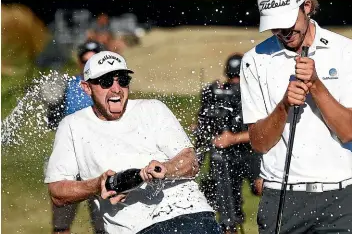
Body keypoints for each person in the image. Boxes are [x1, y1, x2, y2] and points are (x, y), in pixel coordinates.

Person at [240, 0, 352, 234]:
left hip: (340, 198)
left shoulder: (348, 51)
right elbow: (259, 142)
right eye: (275, 28)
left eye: (288, 24)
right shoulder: (254, 60)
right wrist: (284, 105)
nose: (284, 33)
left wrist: (316, 85)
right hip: (281, 198)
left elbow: (349, 130)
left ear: (307, 7)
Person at [44, 51, 221, 234]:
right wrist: (98, 185)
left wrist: (165, 169)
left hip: (193, 214)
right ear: (86, 87)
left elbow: (190, 162)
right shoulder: (72, 126)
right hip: (139, 228)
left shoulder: (152, 108)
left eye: (122, 80)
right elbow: (58, 191)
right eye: (105, 81)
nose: (116, 89)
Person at [195, 53, 263, 234]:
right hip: (224, 157)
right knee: (225, 200)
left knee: (261, 187)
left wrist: (232, 138)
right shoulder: (217, 94)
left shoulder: (254, 95)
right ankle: (229, 225)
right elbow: (202, 125)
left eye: (237, 79)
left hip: (251, 151)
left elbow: (263, 132)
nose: (235, 83)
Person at [45, 40, 106, 234]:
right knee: (61, 226)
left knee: (105, 226)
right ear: (79, 63)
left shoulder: (110, 88)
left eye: (94, 60)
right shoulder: (67, 86)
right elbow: (52, 121)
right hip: (70, 165)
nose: (89, 64)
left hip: (100, 162)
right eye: (85, 60)